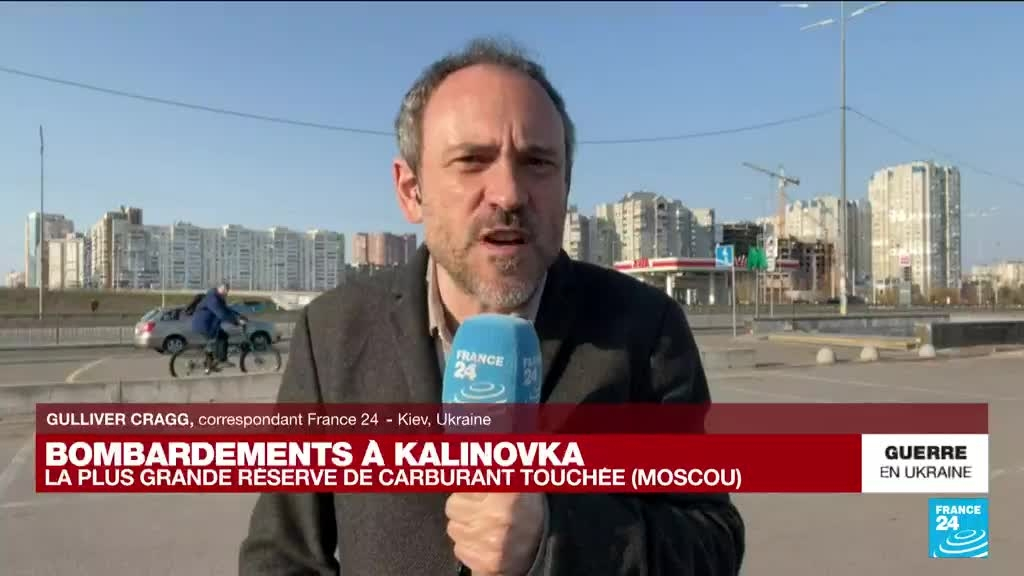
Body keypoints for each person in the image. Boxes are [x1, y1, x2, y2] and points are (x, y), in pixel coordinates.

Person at [239, 37, 744, 575]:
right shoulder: (332, 331)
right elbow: (281, 556)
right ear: (411, 190)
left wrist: (557, 537)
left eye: (538, 162)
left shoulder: (646, 329)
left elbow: (711, 543)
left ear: (566, 186)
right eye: (472, 161)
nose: (508, 193)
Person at [190, 281, 245, 373]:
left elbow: (226, 309)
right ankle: (222, 361)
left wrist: (239, 316)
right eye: (225, 289)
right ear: (219, 288)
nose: (226, 292)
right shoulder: (213, 299)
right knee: (223, 337)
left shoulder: (218, 297)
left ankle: (209, 366)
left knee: (215, 342)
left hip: (207, 324)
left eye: (227, 290)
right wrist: (236, 322)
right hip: (204, 325)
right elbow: (222, 314)